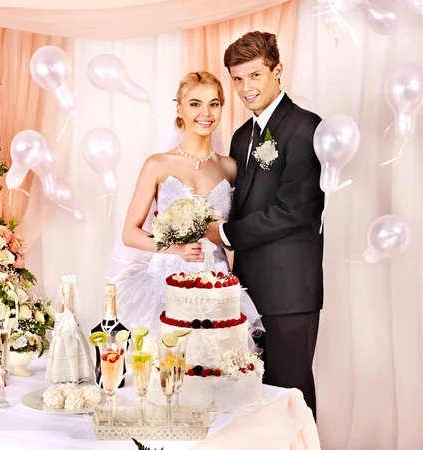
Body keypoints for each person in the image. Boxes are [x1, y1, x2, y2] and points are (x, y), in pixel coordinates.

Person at [203, 31, 324, 419]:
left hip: (290, 292)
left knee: (292, 397)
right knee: (254, 398)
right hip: (248, 292)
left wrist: (223, 232)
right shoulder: (242, 137)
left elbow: (295, 211)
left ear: (277, 71)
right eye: (237, 79)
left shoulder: (306, 127)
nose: (245, 88)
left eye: (255, 75)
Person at [111, 71, 261, 340]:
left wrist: (222, 232)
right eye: (195, 103)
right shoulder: (157, 164)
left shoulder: (230, 167)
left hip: (216, 286)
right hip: (164, 286)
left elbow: (236, 235)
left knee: (215, 367)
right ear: (179, 109)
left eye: (214, 104)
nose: (206, 113)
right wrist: (176, 248)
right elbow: (130, 233)